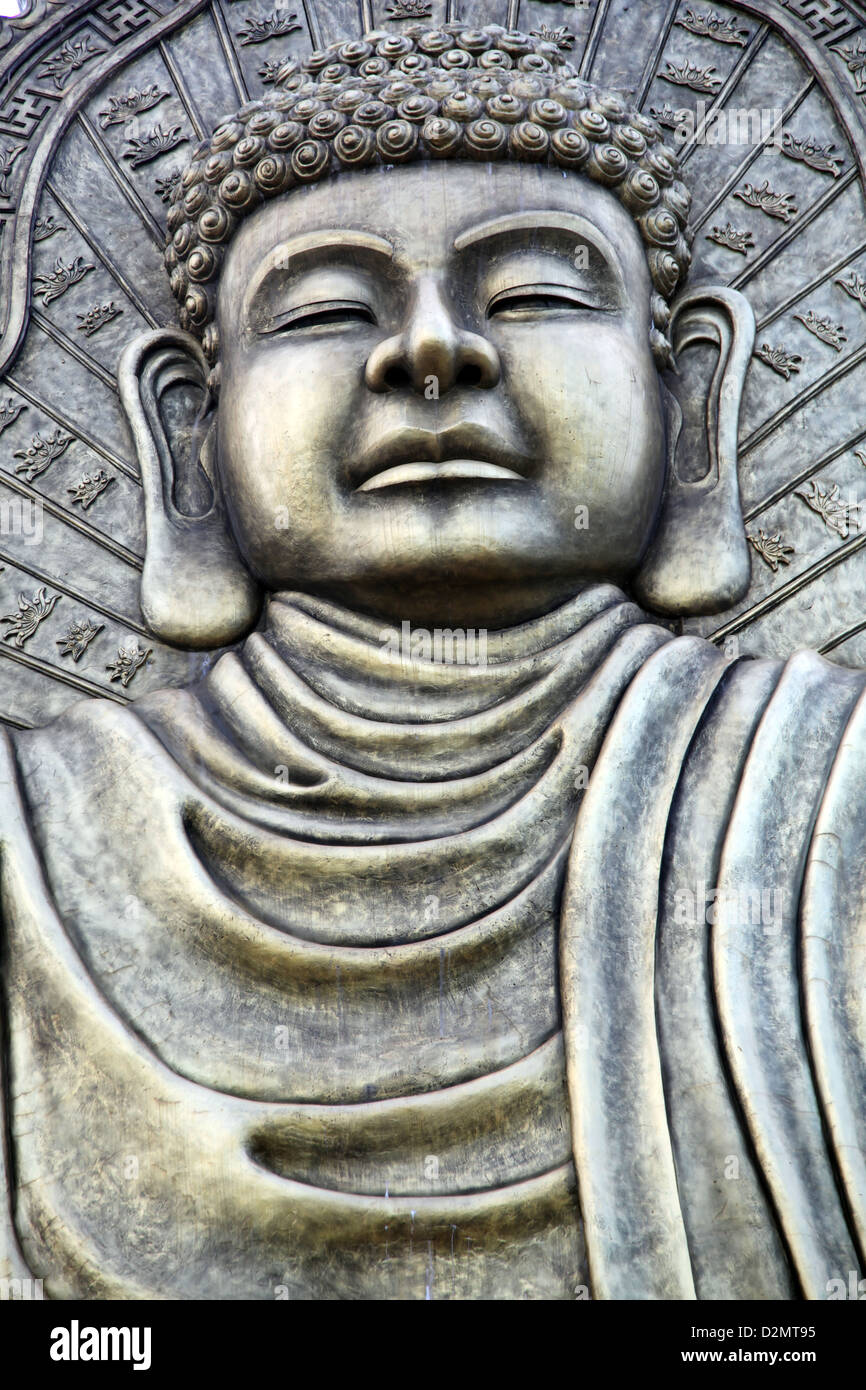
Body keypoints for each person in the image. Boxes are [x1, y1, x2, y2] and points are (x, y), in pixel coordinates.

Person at [1, 23, 863, 1300]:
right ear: (189, 428)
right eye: (328, 306)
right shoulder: (28, 842)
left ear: (687, 398)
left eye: (530, 292)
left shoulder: (827, 792)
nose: (432, 350)